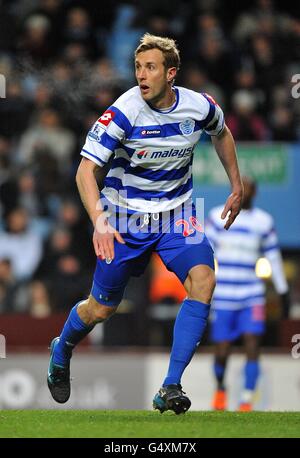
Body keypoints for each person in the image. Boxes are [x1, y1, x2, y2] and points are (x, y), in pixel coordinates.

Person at [47, 33, 243, 414]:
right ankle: (64, 345)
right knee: (101, 310)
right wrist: (100, 222)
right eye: (138, 67)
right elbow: (86, 170)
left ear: (171, 73)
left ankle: (170, 386)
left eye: (150, 67)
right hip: (124, 219)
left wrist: (236, 183)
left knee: (204, 281)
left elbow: (223, 133)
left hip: (177, 214)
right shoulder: (124, 112)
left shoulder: (198, 107)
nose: (141, 75)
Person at [207, 176, 290, 412]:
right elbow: (203, 251)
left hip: (251, 294)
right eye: (240, 187)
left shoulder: (264, 222)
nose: (243, 192)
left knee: (253, 345)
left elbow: (273, 257)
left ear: (255, 193)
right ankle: (221, 389)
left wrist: (282, 291)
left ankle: (246, 399)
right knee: (222, 350)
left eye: (248, 188)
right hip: (223, 294)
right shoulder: (216, 217)